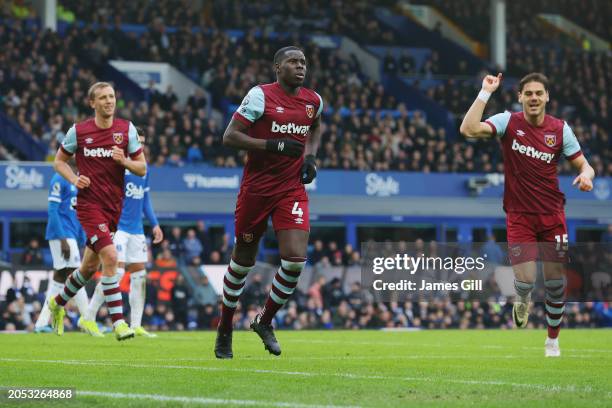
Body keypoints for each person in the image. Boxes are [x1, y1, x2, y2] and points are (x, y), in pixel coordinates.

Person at [460, 72, 595, 357]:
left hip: (552, 216)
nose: (534, 98)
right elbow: (468, 129)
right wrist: (485, 92)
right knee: (527, 281)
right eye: (528, 93)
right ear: (520, 97)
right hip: (519, 215)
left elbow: (586, 166)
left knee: (557, 283)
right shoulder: (508, 121)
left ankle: (552, 341)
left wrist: (586, 176)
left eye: (539, 93)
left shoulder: (560, 130)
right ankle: (522, 297)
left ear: (546, 97)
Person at [214, 46, 323, 358]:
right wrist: (271, 144)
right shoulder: (260, 96)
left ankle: (264, 320)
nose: (300, 67)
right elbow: (230, 136)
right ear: (278, 67)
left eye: (303, 62)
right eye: (293, 62)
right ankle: (225, 326)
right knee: (243, 261)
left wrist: (311, 157)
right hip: (256, 190)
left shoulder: (313, 101)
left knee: (294, 260)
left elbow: (315, 126)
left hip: (291, 189)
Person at [48, 81, 146, 341]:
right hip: (89, 206)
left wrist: (123, 160)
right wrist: (74, 179)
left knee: (89, 268)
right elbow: (59, 162)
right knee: (111, 258)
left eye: (112, 96)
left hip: (113, 207)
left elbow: (142, 168)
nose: (108, 101)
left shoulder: (127, 130)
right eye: (102, 97)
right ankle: (119, 323)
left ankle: (56, 303)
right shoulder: (78, 132)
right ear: (92, 103)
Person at [80, 127, 163, 338]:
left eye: (143, 143)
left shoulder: (142, 168)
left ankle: (136, 324)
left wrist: (154, 224)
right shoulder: (115, 165)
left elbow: (145, 199)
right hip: (118, 228)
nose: (141, 146)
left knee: (139, 276)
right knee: (115, 273)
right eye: (138, 142)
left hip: (136, 230)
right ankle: (88, 317)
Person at [34, 166, 88, 333]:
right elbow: (53, 210)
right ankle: (88, 319)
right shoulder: (58, 178)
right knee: (76, 275)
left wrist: (81, 237)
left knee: (59, 278)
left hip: (72, 233)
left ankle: (41, 323)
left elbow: (77, 211)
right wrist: (62, 238)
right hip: (61, 234)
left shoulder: (78, 179)